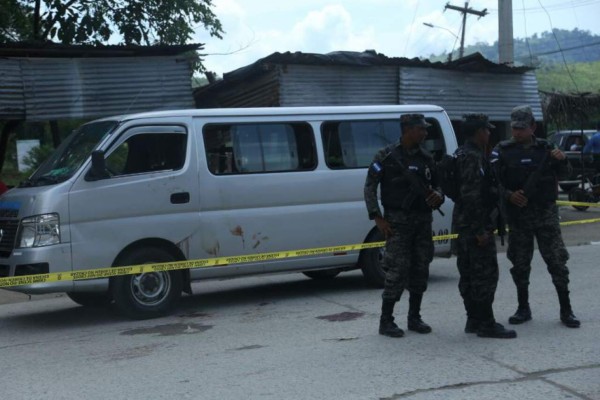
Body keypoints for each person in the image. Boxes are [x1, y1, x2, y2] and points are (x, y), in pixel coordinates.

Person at [491, 105, 580, 328]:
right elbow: (491, 182)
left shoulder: (546, 149)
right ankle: (523, 307)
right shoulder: (502, 150)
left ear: (533, 127)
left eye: (521, 128)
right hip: (519, 217)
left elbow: (567, 174)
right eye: (514, 128)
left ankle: (566, 309)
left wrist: (562, 159)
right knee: (520, 264)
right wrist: (509, 195)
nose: (517, 132)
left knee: (557, 261)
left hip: (546, 215)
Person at [364, 113, 444, 338]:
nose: (425, 133)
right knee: (396, 271)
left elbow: (439, 186)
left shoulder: (426, 157)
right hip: (397, 223)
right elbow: (370, 186)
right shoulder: (387, 156)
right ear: (408, 129)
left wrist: (438, 195)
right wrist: (376, 217)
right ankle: (386, 320)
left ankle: (414, 317)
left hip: (422, 222)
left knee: (421, 268)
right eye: (421, 129)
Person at [453, 114, 516, 339]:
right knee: (484, 275)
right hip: (475, 225)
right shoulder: (472, 157)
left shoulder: (463, 153)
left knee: (470, 273)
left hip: (465, 223)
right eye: (487, 130)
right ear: (479, 132)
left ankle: (474, 319)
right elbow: (471, 196)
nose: (490, 133)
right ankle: (486, 322)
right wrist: (480, 229)